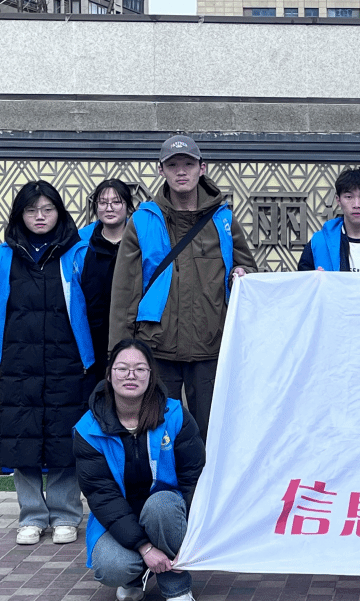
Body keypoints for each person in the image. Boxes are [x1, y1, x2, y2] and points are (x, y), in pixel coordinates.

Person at [109, 135, 258, 440]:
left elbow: (248, 270)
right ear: (160, 170)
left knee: (212, 433)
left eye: (188, 164)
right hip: (156, 348)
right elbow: (125, 294)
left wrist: (242, 272)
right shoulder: (143, 221)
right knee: (156, 431)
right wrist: (120, 354)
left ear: (202, 168)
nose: (181, 171)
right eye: (173, 165)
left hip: (210, 347)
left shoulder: (223, 220)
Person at [0, 180, 95, 546]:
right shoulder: (6, 257)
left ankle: (65, 515)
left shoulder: (77, 254)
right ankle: (31, 516)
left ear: (59, 213)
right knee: (23, 439)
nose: (39, 216)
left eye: (48, 209)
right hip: (20, 364)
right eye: (31, 210)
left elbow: (90, 307)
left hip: (67, 363)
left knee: (65, 440)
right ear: (20, 215)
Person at [74, 338, 205, 601]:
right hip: (119, 519)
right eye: (122, 368)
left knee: (161, 505)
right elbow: (102, 496)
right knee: (111, 567)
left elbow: (193, 478)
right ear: (109, 375)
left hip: (167, 513)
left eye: (140, 369)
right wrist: (145, 548)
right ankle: (134, 576)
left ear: (151, 375)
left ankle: (177, 588)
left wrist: (189, 537)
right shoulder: (88, 429)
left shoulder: (175, 416)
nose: (130, 375)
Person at [80, 178, 137, 379]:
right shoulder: (82, 244)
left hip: (131, 333)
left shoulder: (139, 243)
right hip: (91, 335)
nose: (109, 208)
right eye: (103, 202)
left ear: (128, 206)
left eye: (116, 202)